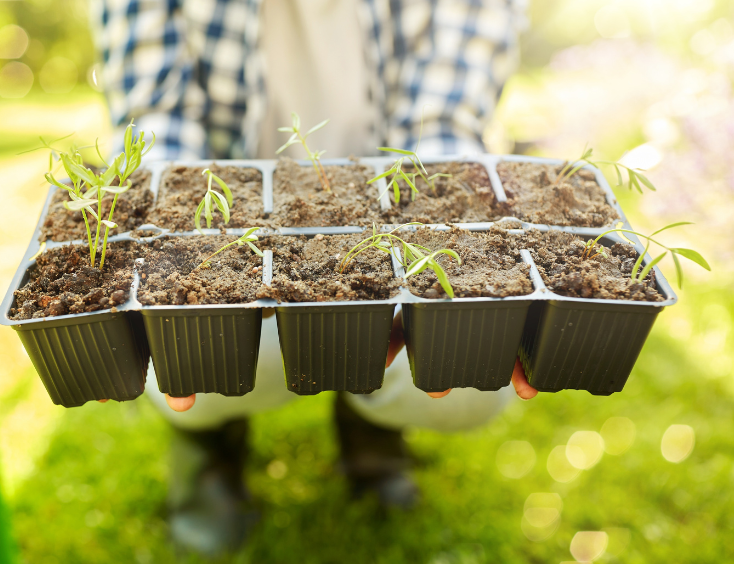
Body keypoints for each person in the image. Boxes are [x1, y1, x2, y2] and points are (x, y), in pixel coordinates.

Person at [91, 0, 533, 555]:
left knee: (467, 384)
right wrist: (169, 263)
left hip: (380, 221)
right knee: (191, 357)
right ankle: (208, 443)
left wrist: (454, 263)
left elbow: (439, 127)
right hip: (238, 227)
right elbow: (159, 124)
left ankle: (370, 417)